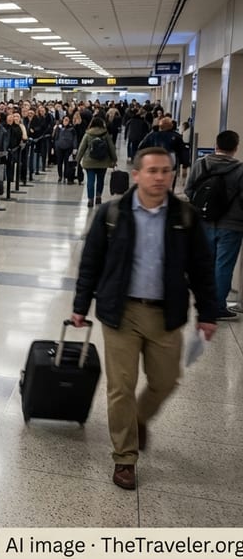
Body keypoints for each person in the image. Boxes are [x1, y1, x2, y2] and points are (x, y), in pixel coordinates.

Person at [71, 147, 217, 491]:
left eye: (166, 171)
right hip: (120, 312)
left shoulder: (184, 216)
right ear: (135, 174)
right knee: (120, 387)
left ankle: (137, 420)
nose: (160, 178)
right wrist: (80, 305)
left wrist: (208, 312)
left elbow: (201, 268)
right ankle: (125, 457)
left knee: (165, 381)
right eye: (152, 171)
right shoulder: (112, 214)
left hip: (166, 313)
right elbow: (90, 263)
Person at [184, 130, 243, 320]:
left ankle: (204, 304)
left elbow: (188, 189)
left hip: (203, 221)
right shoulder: (240, 170)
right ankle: (217, 307)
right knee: (223, 266)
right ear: (235, 148)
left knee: (206, 264)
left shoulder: (201, 164)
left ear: (216, 145)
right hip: (232, 226)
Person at [75, 116, 117, 207]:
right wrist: (114, 159)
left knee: (90, 180)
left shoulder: (88, 134)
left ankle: (90, 199)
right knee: (100, 180)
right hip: (103, 161)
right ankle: (98, 197)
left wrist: (78, 159)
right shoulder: (105, 134)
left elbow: (82, 147)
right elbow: (111, 148)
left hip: (89, 162)